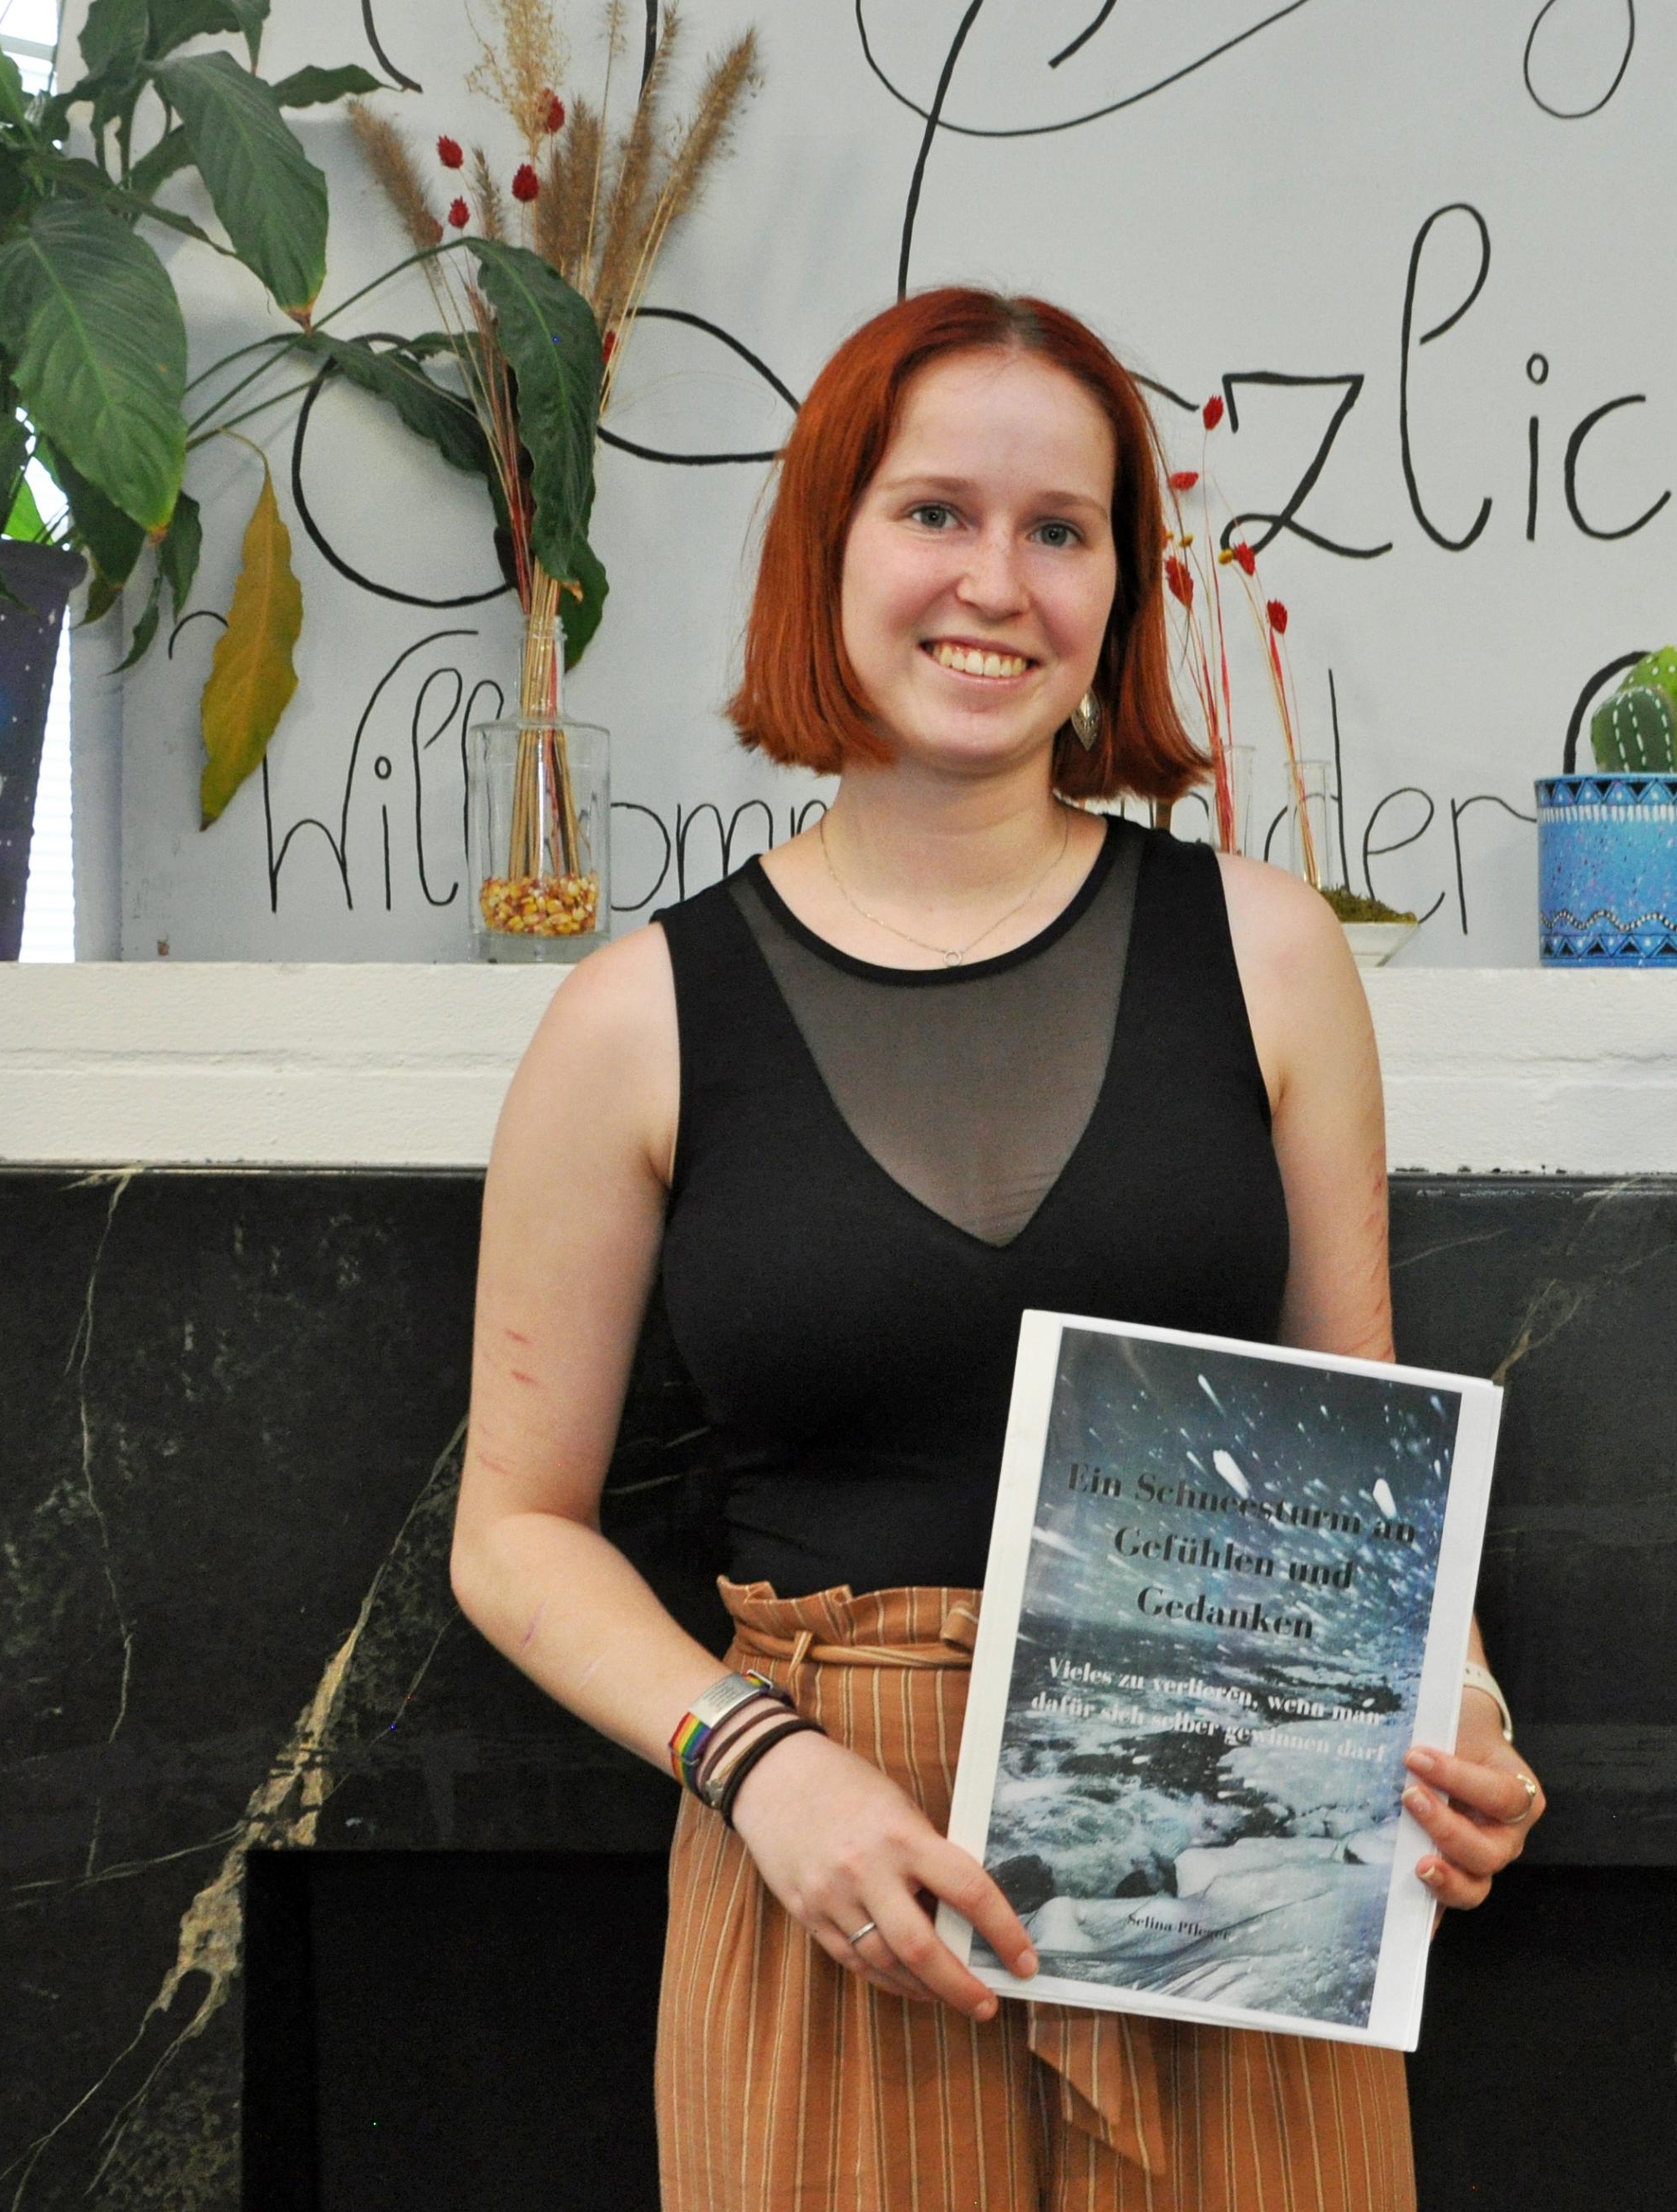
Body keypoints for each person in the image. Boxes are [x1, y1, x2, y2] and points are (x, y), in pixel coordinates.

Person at [450, 285, 1545, 2210]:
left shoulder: (1271, 955)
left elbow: (1361, 1442)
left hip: (1237, 1878)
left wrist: (1458, 1706)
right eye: (935, 512)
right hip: (838, 1882)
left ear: (1117, 592)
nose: (995, 582)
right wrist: (759, 1763)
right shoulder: (634, 1017)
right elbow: (511, 1530)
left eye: (1060, 530)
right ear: (828, 547)